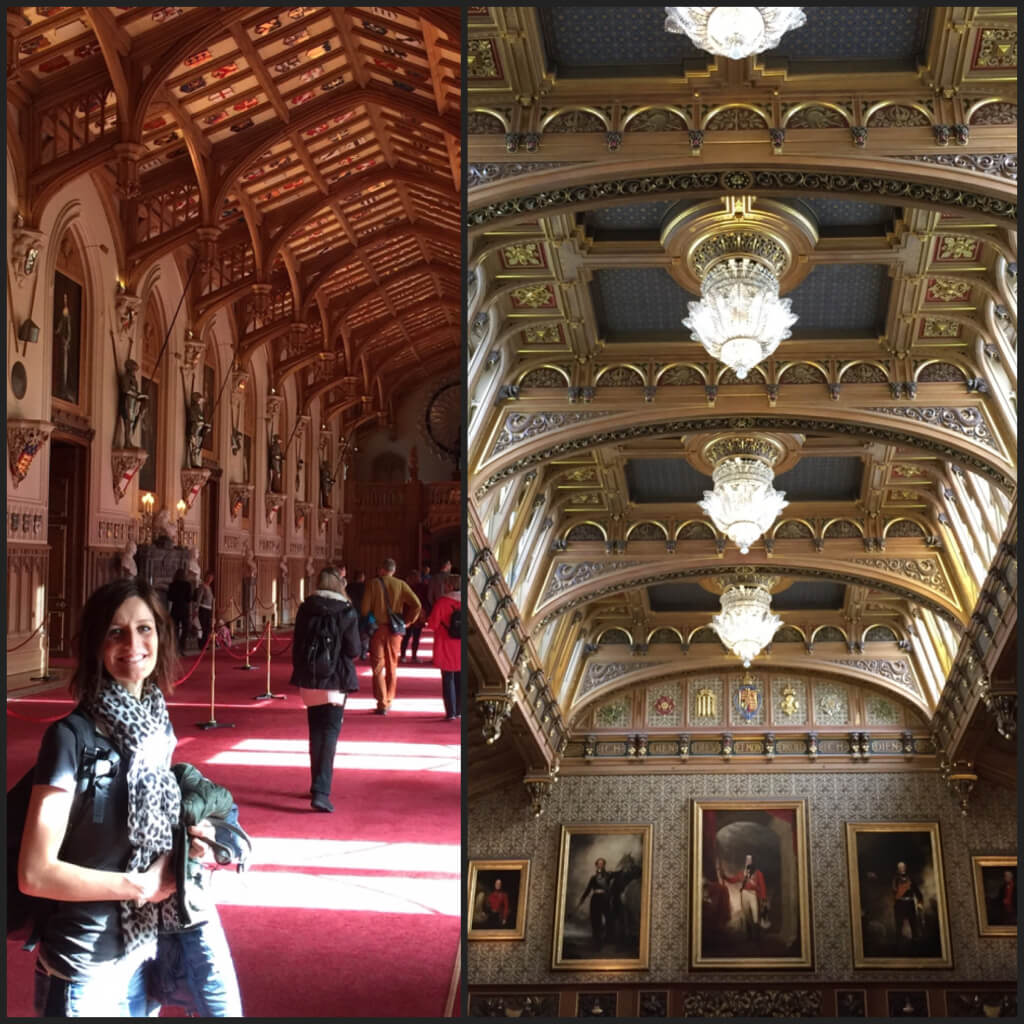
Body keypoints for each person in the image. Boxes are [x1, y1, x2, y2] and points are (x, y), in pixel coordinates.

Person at [18, 577, 237, 1017]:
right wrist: (139, 886)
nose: (133, 643)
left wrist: (192, 839)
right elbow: (34, 874)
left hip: (144, 958)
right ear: (97, 644)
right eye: (116, 632)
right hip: (84, 973)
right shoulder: (69, 739)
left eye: (144, 629)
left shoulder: (157, 729)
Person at [289, 566, 360, 812]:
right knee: (329, 732)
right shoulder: (347, 611)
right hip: (336, 678)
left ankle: (315, 783)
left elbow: (297, 644)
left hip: (310, 678)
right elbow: (353, 650)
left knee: (315, 730)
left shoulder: (306, 608)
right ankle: (321, 791)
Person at [359, 558, 421, 716]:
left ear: (381, 569)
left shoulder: (372, 584)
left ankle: (381, 703)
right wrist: (408, 621)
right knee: (392, 666)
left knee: (378, 667)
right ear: (393, 570)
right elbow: (417, 605)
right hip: (395, 632)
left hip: (377, 630)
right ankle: (389, 699)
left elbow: (365, 610)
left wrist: (370, 620)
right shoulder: (400, 584)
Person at [425, 573, 461, 720]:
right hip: (460, 644)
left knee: (448, 678)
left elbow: (432, 624)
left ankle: (450, 712)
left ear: (450, 586)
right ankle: (459, 710)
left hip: (445, 643)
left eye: (446, 584)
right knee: (460, 678)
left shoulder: (442, 602)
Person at [720, 853, 767, 941]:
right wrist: (725, 877)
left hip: (753, 895)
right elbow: (733, 880)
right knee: (746, 915)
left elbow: (762, 886)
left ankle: (757, 936)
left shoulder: (758, 874)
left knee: (755, 915)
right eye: (747, 861)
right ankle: (749, 936)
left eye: (750, 861)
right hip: (744, 894)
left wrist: (763, 897)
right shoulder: (742, 874)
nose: (748, 863)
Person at [578, 858, 613, 951]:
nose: (600, 865)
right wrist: (582, 899)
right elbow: (588, 889)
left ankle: (607, 939)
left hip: (605, 899)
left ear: (604, 865)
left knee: (608, 919)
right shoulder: (593, 878)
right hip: (595, 900)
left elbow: (618, 874)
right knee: (595, 920)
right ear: (596, 865)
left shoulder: (608, 875)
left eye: (602, 863)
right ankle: (597, 942)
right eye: (598, 863)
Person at [399, 569, 429, 663]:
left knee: (406, 636)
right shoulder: (423, 587)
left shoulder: (406, 587)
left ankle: (403, 655)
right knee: (416, 636)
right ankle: (414, 656)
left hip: (407, 614)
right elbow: (425, 600)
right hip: (418, 615)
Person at [892, 860, 924, 943]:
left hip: (910, 904)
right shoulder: (895, 879)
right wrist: (904, 887)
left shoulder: (911, 878)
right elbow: (895, 892)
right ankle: (899, 945)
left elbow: (917, 891)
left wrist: (920, 902)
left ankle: (916, 943)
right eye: (900, 867)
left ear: (905, 867)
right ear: (898, 869)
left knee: (914, 925)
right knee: (899, 926)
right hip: (900, 904)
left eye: (903, 867)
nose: (902, 869)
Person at [118, 358, 147, 449]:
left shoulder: (134, 380)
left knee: (131, 422)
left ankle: (129, 441)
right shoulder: (125, 377)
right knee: (128, 421)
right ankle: (127, 442)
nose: (135, 372)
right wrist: (138, 395)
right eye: (134, 370)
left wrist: (141, 396)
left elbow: (134, 391)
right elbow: (126, 390)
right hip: (127, 401)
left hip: (133, 402)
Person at [167, 568, 194, 654]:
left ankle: (175, 647)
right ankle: (182, 647)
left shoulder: (172, 584)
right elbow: (189, 599)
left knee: (175, 629)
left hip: (175, 608)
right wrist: (190, 612)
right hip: (184, 609)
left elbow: (169, 598)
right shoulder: (187, 585)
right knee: (185, 629)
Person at [185, 392, 206, 470]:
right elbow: (193, 419)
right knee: (193, 447)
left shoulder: (199, 409)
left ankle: (195, 461)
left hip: (198, 430)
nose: (201, 401)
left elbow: (201, 419)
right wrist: (199, 423)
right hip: (194, 430)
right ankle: (192, 462)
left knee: (197, 447)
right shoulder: (193, 409)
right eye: (200, 399)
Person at [195, 572, 215, 650]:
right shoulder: (202, 586)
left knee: (207, 627)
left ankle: (205, 644)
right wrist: (196, 609)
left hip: (209, 609)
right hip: (203, 608)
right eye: (209, 577)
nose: (210, 579)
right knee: (203, 627)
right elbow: (199, 598)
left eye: (211, 578)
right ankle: (201, 645)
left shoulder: (209, 587)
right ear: (206, 577)